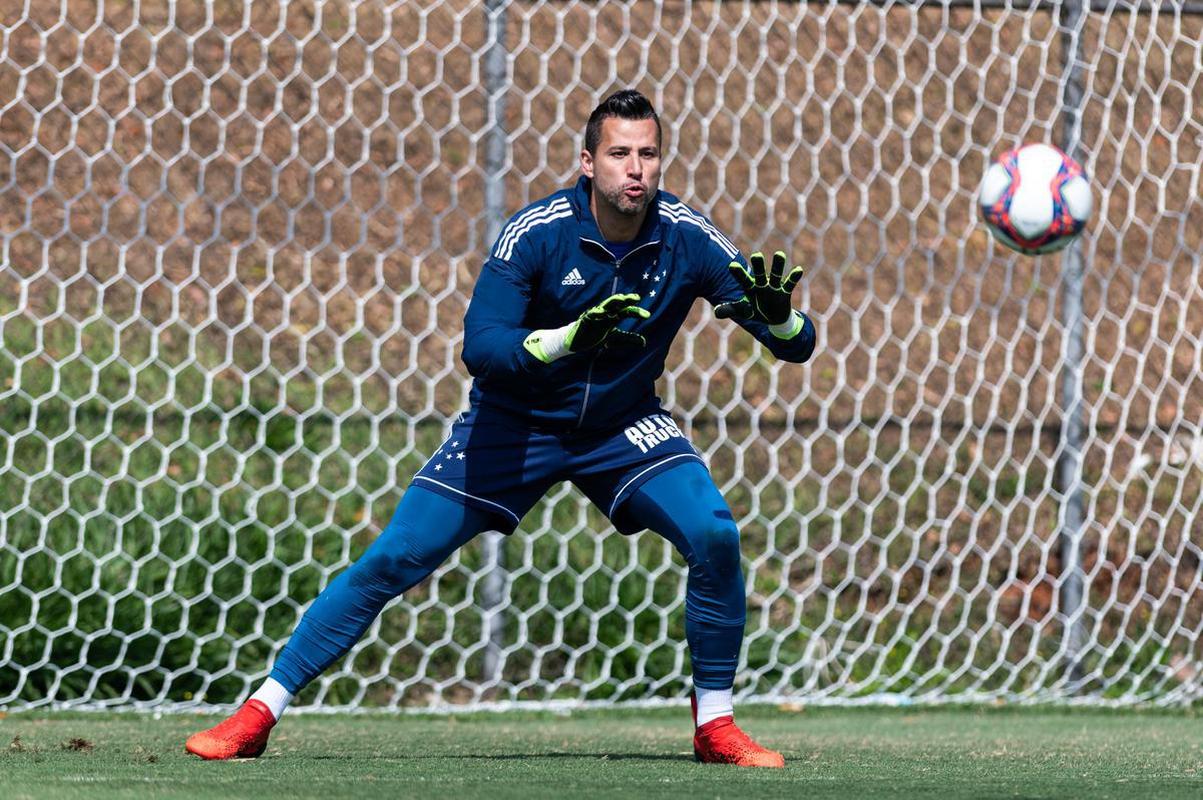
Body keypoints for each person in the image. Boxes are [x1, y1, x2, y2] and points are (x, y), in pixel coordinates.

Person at [185, 89, 816, 768]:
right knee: (395, 556)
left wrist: (778, 319)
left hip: (621, 424)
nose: (635, 168)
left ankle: (714, 728)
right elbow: (480, 347)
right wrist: (567, 338)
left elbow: (794, 343)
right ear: (586, 162)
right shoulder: (537, 231)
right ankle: (257, 714)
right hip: (513, 423)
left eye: (648, 153)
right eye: (619, 154)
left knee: (714, 535)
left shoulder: (686, 235)